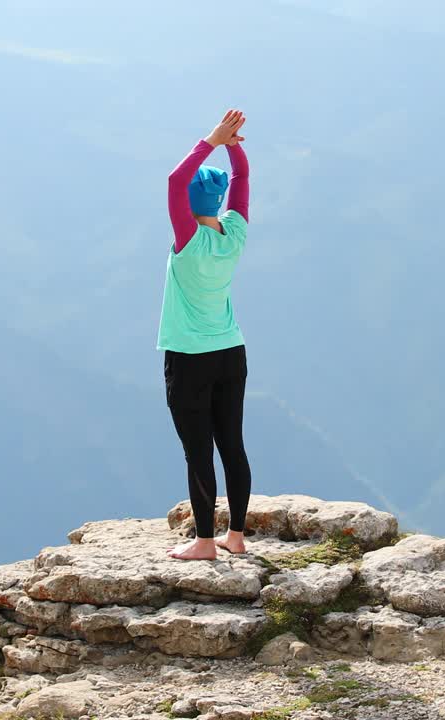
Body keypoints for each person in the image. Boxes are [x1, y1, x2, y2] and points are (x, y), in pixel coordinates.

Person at [158, 109, 252, 561]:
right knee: (231, 443)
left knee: (198, 450)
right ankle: (236, 535)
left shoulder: (187, 239)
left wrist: (211, 140)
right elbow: (243, 181)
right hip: (231, 351)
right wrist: (234, 148)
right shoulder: (234, 234)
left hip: (190, 357)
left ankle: (204, 542)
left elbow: (177, 182)